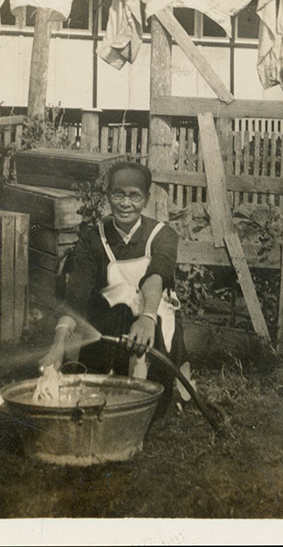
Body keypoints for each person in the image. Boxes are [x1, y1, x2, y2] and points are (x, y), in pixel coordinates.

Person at [39, 161, 187, 413]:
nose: (125, 203)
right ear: (108, 196)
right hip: (109, 329)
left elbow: (155, 275)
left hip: (153, 326)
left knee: (151, 407)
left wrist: (148, 317)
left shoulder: (162, 235)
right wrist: (59, 342)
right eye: (118, 194)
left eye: (134, 196)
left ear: (146, 198)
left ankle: (149, 390)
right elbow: (76, 296)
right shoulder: (93, 239)